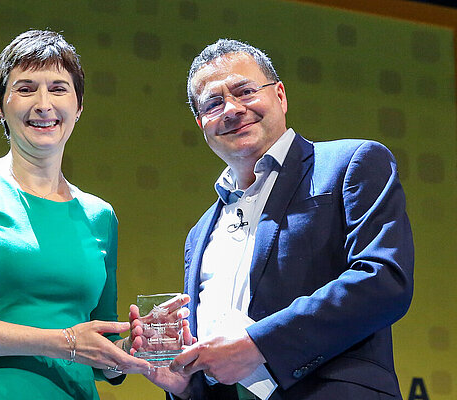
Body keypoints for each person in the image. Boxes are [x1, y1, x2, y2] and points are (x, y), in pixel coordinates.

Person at [147, 39, 415, 399]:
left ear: (281, 96)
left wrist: (258, 344)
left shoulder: (352, 162)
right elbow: (215, 366)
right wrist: (183, 383)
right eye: (213, 103)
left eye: (245, 91)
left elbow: (383, 281)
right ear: (201, 124)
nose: (231, 109)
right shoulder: (200, 233)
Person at [0, 29, 153, 400]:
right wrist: (63, 343)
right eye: (25, 89)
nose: (43, 104)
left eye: (58, 88)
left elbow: (101, 352)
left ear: (79, 105)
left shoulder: (100, 216)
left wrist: (137, 350)